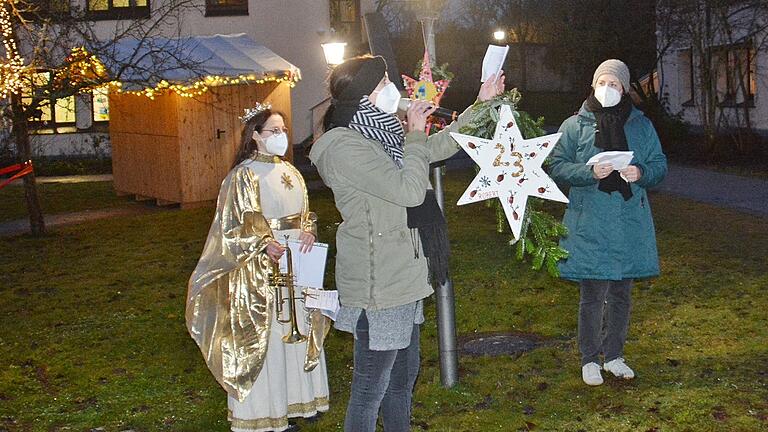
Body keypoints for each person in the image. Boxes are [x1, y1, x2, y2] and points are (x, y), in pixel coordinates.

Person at [309, 55, 504, 431]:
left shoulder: (380, 133)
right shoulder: (343, 146)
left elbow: (436, 148)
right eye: (383, 82)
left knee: (402, 381)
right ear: (364, 96)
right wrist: (414, 132)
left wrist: (484, 104)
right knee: (370, 390)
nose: (392, 89)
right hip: (379, 283)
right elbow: (410, 190)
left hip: (403, 276)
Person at [186, 104, 331, 432]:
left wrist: (308, 229)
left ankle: (292, 404)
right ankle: (263, 413)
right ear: (255, 136)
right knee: (267, 341)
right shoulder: (242, 176)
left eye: (283, 131)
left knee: (295, 332)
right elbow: (233, 226)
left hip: (296, 266)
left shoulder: (290, 172)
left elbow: (305, 212)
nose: (281, 136)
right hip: (261, 273)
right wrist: (265, 243)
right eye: (273, 131)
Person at [548, 59, 667, 386]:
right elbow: (555, 165)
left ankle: (614, 355)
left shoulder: (641, 126)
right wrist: (588, 172)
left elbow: (659, 164)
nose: (607, 89)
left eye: (614, 84)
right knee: (592, 295)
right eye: (602, 82)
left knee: (620, 296)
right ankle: (589, 358)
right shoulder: (574, 125)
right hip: (590, 223)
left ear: (625, 88)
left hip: (629, 223)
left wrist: (641, 172)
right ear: (593, 85)